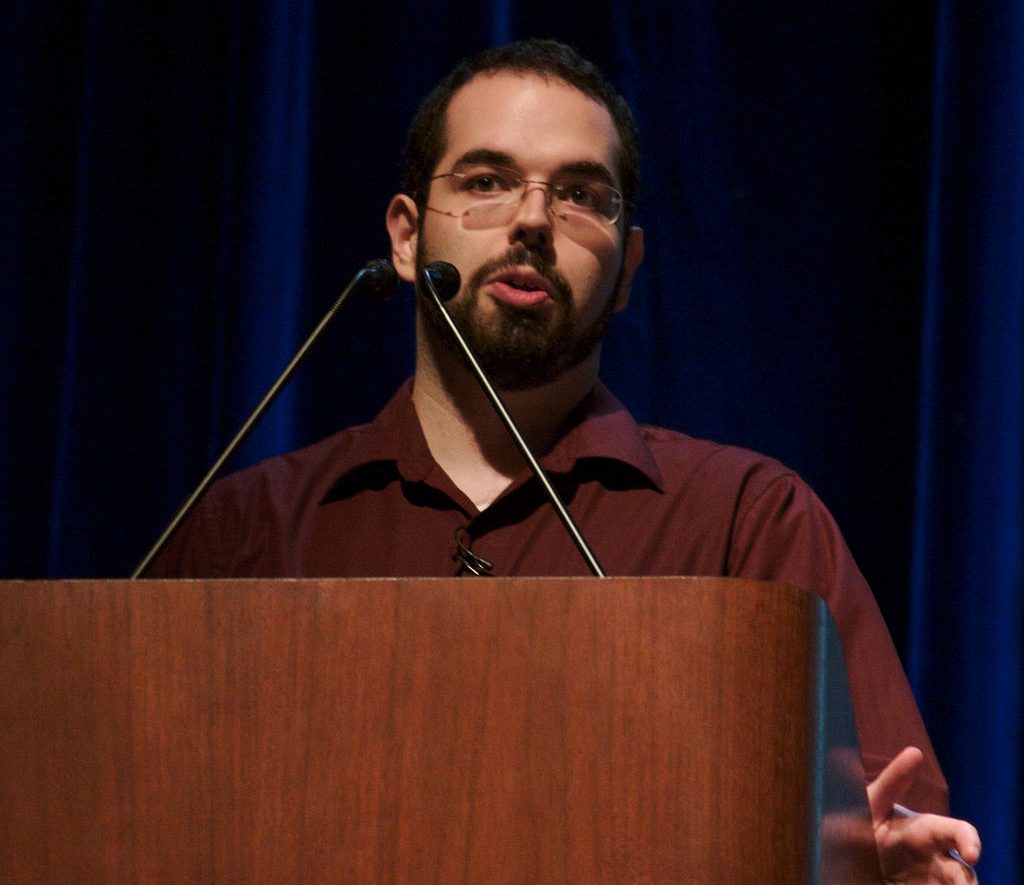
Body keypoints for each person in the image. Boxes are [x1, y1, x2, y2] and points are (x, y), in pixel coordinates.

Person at [150, 39, 981, 882]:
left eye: (582, 195)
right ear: (404, 238)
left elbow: (886, 827)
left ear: (627, 270)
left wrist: (877, 869)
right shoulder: (246, 535)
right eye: (486, 182)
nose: (534, 220)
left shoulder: (747, 525)